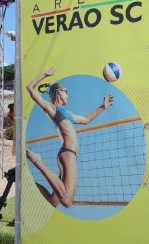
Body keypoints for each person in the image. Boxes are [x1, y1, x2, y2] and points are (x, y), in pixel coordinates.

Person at [25, 68, 113, 208]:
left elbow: (85, 119)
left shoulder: (67, 113)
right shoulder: (52, 108)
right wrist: (44, 75)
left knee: (54, 201)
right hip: (67, 153)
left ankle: (27, 182)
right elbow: (30, 89)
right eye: (66, 92)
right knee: (67, 202)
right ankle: (38, 162)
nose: (68, 96)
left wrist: (103, 107)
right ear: (58, 92)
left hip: (68, 153)